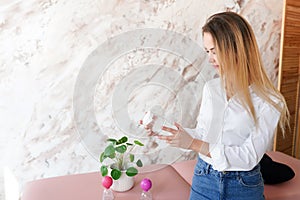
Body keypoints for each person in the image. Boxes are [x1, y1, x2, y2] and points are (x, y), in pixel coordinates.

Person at [141, 11, 290, 200]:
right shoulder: (212, 89)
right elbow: (204, 134)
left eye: (215, 51)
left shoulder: (269, 100)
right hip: (204, 179)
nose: (210, 59)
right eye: (207, 51)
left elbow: (248, 157)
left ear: (237, 49)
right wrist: (164, 130)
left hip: (243, 186)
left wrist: (194, 144)